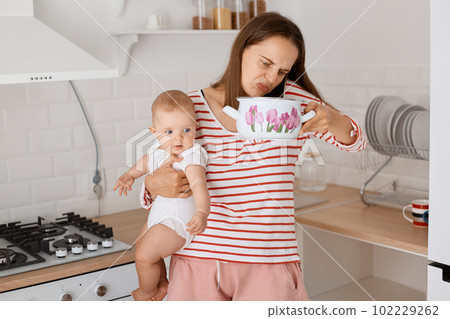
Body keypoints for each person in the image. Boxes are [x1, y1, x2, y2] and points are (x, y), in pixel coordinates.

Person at [140, 12, 367, 301]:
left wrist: (332, 119)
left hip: (269, 264)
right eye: (266, 63)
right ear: (241, 49)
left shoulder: (292, 107)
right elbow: (157, 182)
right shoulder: (188, 108)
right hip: (197, 262)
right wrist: (150, 185)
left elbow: (356, 142)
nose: (272, 78)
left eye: (283, 71)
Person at [113, 90, 210, 301]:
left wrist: (202, 213)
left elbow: (199, 186)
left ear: (196, 128)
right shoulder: (158, 151)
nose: (179, 138)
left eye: (186, 129)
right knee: (141, 245)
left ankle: (148, 292)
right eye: (169, 132)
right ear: (154, 132)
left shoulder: (192, 155)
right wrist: (129, 175)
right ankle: (162, 283)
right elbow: (144, 164)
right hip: (159, 218)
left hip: (179, 222)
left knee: (144, 256)